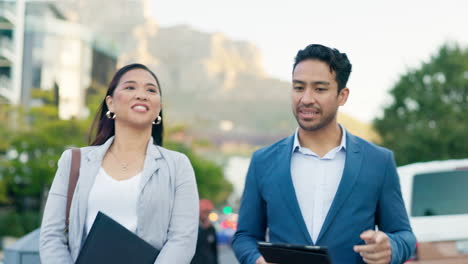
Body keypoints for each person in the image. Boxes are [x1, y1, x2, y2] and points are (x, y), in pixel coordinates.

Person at [232, 44, 416, 264]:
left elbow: (404, 235)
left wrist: (391, 248)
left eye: (320, 89)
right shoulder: (262, 161)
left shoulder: (378, 161)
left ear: (342, 96)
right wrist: (256, 260)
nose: (306, 98)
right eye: (299, 87)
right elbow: (245, 236)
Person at [39, 63, 199, 264]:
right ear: (111, 103)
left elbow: (182, 239)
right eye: (130, 87)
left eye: (151, 90)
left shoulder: (177, 166)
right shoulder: (74, 161)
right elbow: (51, 236)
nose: (141, 95)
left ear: (159, 107)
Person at [191, 199, 219, 264]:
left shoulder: (211, 229)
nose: (207, 214)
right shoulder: (192, 228)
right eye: (204, 212)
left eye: (208, 212)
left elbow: (214, 250)